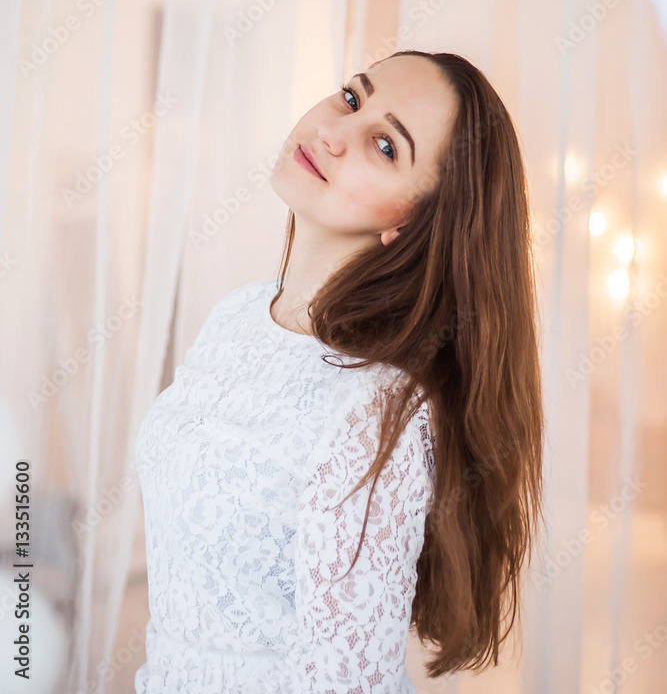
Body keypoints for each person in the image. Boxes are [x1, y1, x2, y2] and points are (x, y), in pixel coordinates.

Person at [133, 49, 545, 693]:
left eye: (385, 146)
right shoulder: (237, 314)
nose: (332, 131)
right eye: (353, 98)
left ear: (411, 219)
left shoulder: (376, 410)